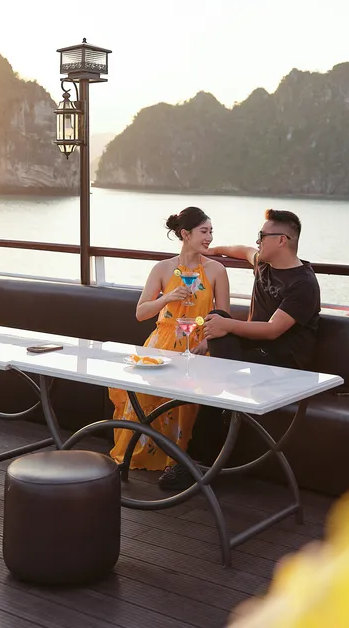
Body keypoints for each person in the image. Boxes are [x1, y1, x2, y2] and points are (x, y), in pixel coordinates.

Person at [108, 206, 230, 489]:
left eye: (211, 231)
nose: (209, 237)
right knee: (143, 393)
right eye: (204, 231)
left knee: (188, 399)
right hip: (161, 345)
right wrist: (167, 298)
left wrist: (206, 342)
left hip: (198, 344)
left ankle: (178, 461)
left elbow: (223, 317)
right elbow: (141, 312)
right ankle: (137, 454)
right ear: (185, 234)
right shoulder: (162, 268)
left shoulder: (216, 270)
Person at [203, 208, 321, 369]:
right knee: (216, 317)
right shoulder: (264, 264)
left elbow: (273, 329)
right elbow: (244, 251)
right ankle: (223, 377)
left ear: (281, 240)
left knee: (221, 324)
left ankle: (224, 378)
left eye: (262, 236)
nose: (258, 241)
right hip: (254, 349)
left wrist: (228, 325)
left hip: (283, 363)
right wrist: (213, 251)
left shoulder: (303, 284)